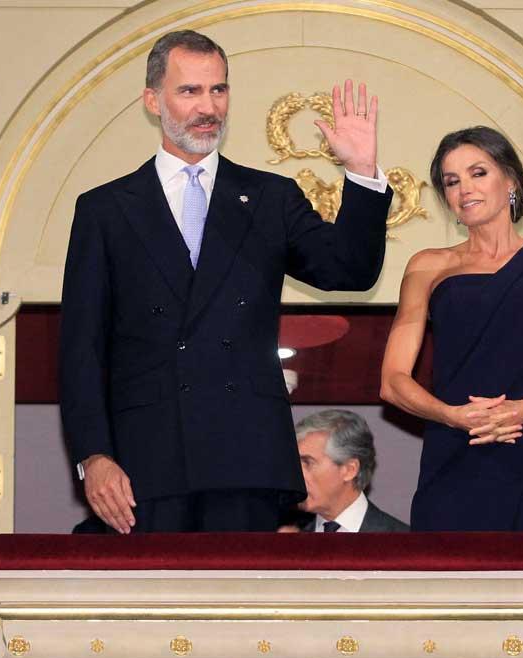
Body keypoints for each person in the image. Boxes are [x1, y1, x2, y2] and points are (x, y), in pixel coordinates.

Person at [60, 30, 392, 534]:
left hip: (246, 460)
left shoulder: (269, 197)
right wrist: (93, 455)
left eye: (218, 90)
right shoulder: (105, 210)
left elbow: (349, 270)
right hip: (145, 462)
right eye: (189, 91)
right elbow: (81, 351)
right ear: (153, 100)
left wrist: (362, 171)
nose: (208, 106)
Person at [379, 126, 523, 531]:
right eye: (452, 181)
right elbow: (392, 382)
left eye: (478, 173)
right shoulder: (426, 265)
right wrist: (453, 416)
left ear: (510, 180)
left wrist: (519, 412)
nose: (465, 189)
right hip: (454, 455)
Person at [294, 410, 409, 533]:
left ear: (349, 470)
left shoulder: (402, 541)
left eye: (307, 463)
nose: (294, 474)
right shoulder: (288, 541)